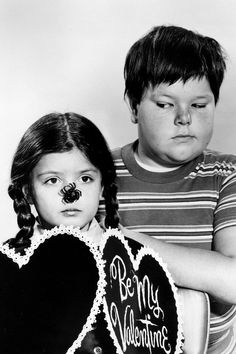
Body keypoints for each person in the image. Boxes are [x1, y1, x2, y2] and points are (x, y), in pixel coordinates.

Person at [99, 25, 236, 353]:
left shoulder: (227, 174)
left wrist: (129, 243)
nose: (184, 118)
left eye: (200, 105)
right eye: (165, 105)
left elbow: (232, 281)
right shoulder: (98, 173)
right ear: (134, 107)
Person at [3, 112, 119, 353]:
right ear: (27, 191)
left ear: (102, 187)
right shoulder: (7, 265)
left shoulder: (128, 260)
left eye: (85, 178)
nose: (71, 193)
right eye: (53, 180)